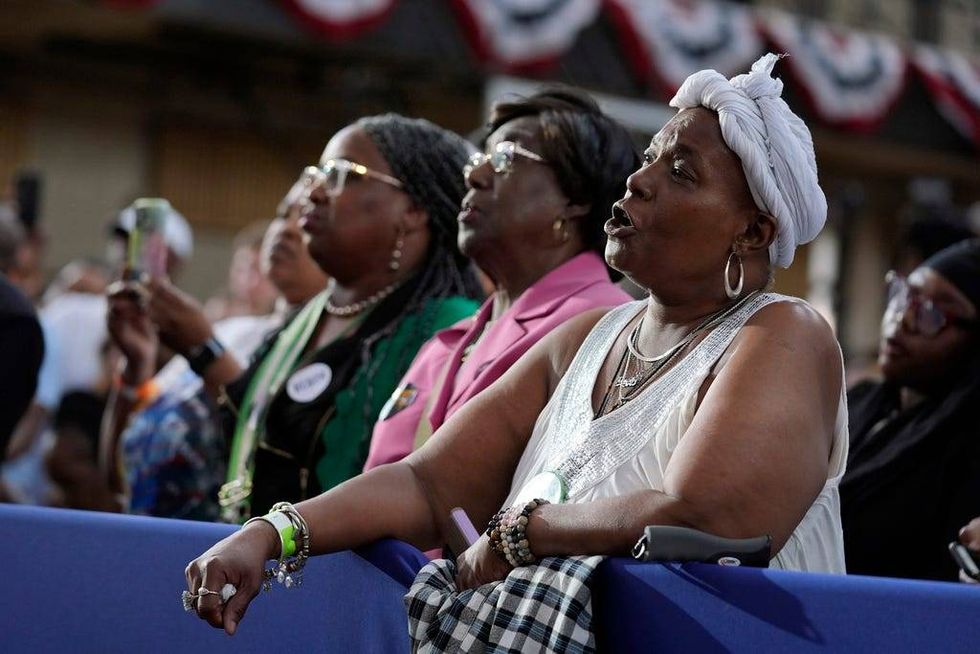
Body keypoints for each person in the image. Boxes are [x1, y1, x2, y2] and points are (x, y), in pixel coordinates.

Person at [186, 55, 844, 640]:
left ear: (753, 232)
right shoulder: (586, 339)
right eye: (648, 158)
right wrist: (271, 534)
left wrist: (524, 534)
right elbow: (426, 482)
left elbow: (710, 516)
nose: (640, 182)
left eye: (680, 171)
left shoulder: (782, 334)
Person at [149, 115, 483, 522]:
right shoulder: (307, 317)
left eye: (343, 174)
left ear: (412, 209)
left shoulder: (451, 331)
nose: (315, 192)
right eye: (317, 173)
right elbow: (256, 435)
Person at [364, 89, 636, 471]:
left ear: (575, 198)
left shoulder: (608, 327)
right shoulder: (448, 342)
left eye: (506, 157)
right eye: (479, 158)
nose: (474, 175)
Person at [101, 180, 329, 520]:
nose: (288, 230)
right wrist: (135, 369)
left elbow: (272, 451)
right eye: (283, 214)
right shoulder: (231, 331)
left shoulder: (323, 354)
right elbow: (118, 472)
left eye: (306, 218)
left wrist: (203, 351)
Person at [841, 239, 980, 581]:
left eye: (932, 313)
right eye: (905, 295)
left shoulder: (970, 447)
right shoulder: (857, 402)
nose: (901, 319)